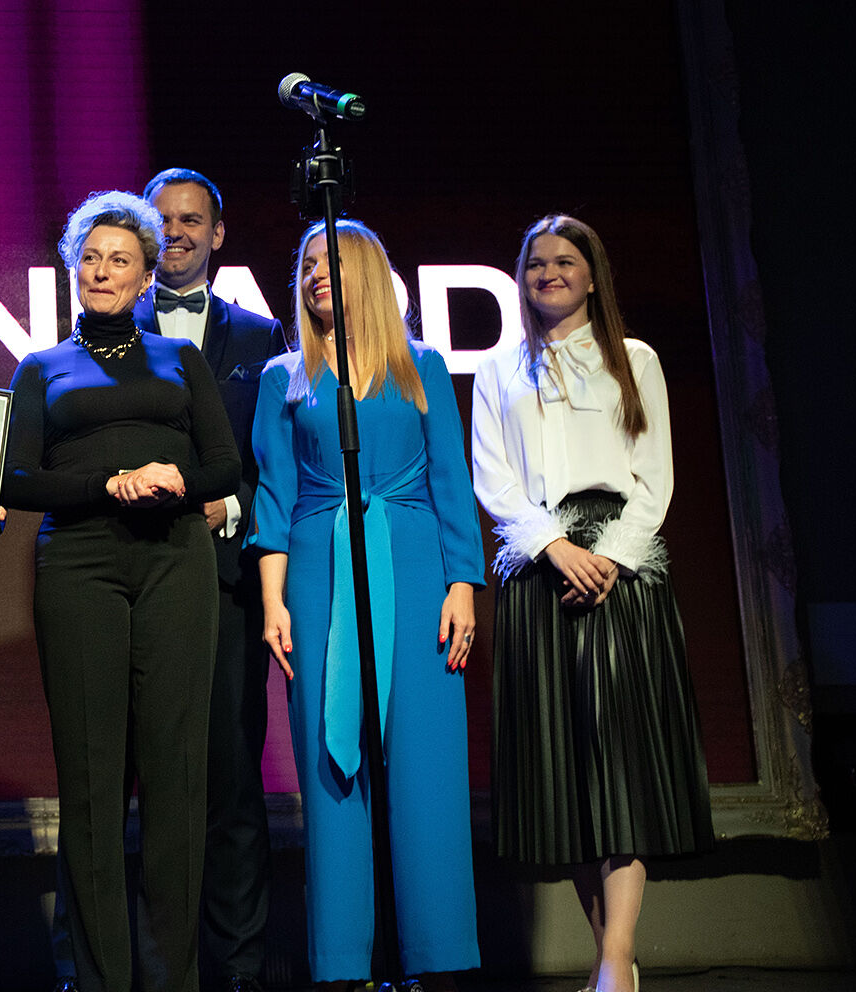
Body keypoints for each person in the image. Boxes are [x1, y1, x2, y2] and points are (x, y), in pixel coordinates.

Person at [4, 191, 242, 992]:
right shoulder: (41, 368)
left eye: (121, 260)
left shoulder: (181, 361)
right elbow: (17, 478)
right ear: (74, 269)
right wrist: (106, 483)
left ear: (146, 278)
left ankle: (174, 979)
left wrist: (175, 476)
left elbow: (223, 466)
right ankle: (99, 980)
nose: (103, 271)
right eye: (92, 258)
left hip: (176, 560)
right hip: (79, 566)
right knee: (92, 783)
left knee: (177, 778)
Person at [470, 214, 713, 992]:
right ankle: (612, 954)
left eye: (564, 260)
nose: (548, 272)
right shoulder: (499, 369)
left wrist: (606, 555)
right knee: (563, 770)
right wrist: (554, 547)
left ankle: (615, 956)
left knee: (618, 762)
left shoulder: (634, 359)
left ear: (592, 274)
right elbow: (493, 477)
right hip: (539, 566)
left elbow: (654, 473)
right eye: (535, 262)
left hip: (620, 567)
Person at [250, 220, 482, 989]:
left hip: (415, 564)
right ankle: (344, 963)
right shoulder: (283, 377)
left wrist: (462, 584)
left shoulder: (422, 365)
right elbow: (275, 496)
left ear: (372, 275)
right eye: (308, 264)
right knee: (331, 759)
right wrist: (273, 600)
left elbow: (450, 478)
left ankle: (437, 959)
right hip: (318, 567)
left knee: (425, 760)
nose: (317, 274)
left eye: (333, 262)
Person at [139, 169, 287, 992]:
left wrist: (229, 505)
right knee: (149, 782)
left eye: (191, 220)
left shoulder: (264, 338)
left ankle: (238, 973)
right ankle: (161, 969)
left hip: (229, 583)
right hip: (133, 578)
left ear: (218, 233)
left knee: (232, 781)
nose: (176, 232)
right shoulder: (103, 331)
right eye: (162, 219)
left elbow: (283, 463)